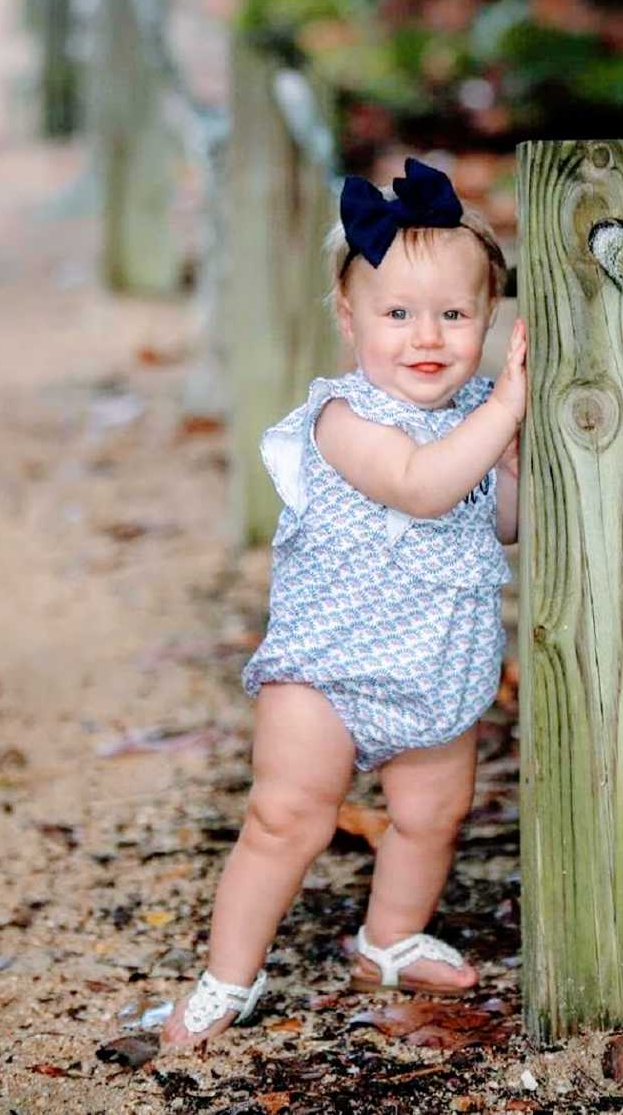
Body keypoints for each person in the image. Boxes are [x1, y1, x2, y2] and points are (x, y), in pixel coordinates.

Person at [162, 157, 527, 1048]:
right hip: (325, 668)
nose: (426, 336)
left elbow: (503, 520)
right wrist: (511, 406)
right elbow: (422, 485)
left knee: (430, 815)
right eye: (396, 314)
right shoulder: (343, 419)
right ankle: (227, 977)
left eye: (454, 313)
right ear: (348, 316)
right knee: (287, 816)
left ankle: (390, 938)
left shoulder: (479, 412)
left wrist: (516, 446)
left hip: (436, 664)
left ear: (489, 319)